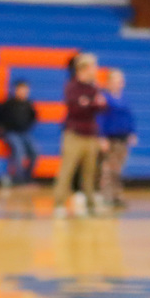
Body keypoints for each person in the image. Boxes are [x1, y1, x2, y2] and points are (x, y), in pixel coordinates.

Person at [53, 53, 107, 218]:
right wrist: (92, 104)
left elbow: (102, 106)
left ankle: (90, 204)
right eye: (93, 67)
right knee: (67, 170)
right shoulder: (72, 86)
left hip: (91, 135)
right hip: (74, 134)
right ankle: (59, 203)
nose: (96, 70)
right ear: (83, 69)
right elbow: (77, 108)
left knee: (90, 172)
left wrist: (89, 103)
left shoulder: (94, 87)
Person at [96, 69, 137, 210]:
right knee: (108, 169)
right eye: (115, 80)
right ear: (109, 82)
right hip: (110, 138)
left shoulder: (124, 98)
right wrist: (101, 137)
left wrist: (132, 132)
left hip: (122, 139)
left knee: (118, 169)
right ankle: (106, 197)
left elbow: (129, 117)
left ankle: (117, 196)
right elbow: (100, 118)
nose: (119, 83)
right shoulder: (104, 98)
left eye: (120, 80)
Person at [0, 79, 38, 186]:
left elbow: (33, 117)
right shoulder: (8, 104)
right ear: (15, 90)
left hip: (24, 133)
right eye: (21, 90)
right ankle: (18, 180)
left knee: (34, 152)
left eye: (25, 90)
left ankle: (28, 178)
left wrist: (27, 126)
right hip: (11, 132)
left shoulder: (29, 104)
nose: (23, 92)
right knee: (19, 151)